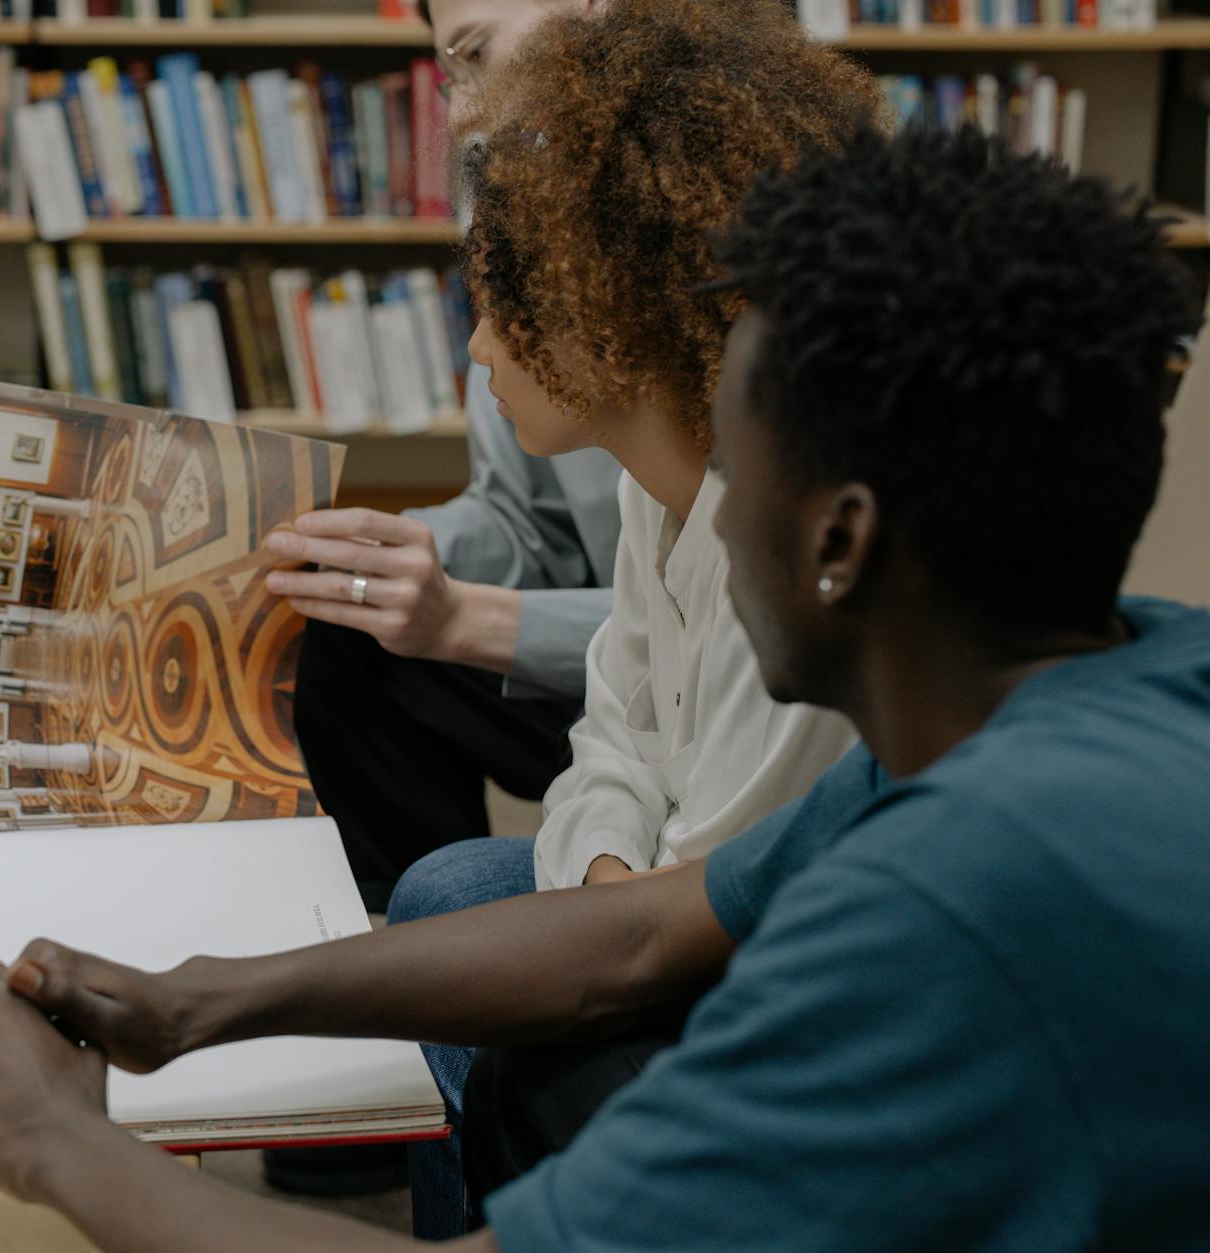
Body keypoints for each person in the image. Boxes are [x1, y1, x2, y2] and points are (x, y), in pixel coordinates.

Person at [0, 125, 1210, 1250]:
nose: (700, 499)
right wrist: (194, 997)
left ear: (839, 540)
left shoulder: (940, 904)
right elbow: (641, 933)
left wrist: (51, 1142)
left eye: (734, 454)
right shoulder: (1082, 687)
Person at [296, 0, 872, 1220]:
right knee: (453, 894)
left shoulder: (771, 541)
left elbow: (712, 906)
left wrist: (597, 918)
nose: (473, 356)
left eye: (493, 307)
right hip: (671, 876)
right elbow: (612, 737)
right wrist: (606, 872)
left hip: (781, 963)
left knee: (495, 993)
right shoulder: (650, 477)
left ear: (595, 314)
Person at [275, 0, 624, 912]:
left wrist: (464, 619)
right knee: (341, 617)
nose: (462, 111)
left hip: (710, 686)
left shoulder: (719, 226)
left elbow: (727, 626)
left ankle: (447, 943)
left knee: (460, 884)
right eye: (449, 71)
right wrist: (358, 548)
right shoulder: (525, 212)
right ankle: (400, 948)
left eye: (475, 55)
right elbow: (525, 524)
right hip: (616, 678)